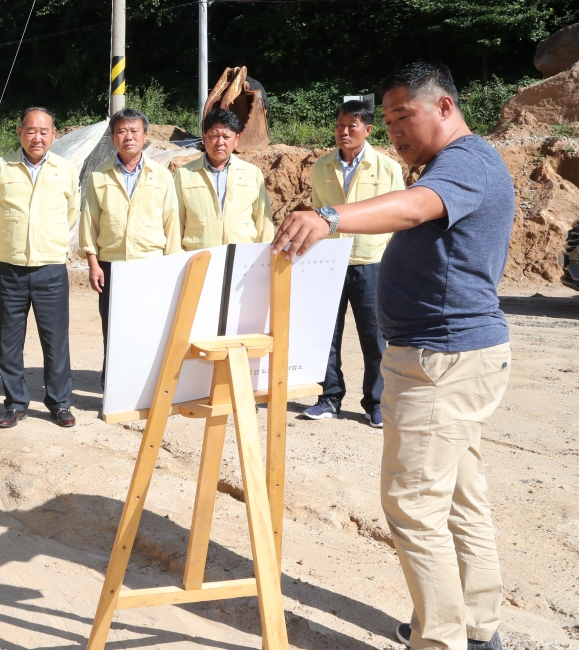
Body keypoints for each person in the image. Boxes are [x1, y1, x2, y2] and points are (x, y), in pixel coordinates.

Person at [272, 62, 514, 650]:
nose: (395, 131)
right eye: (388, 121)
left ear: (445, 109)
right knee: (459, 495)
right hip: (453, 358)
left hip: (441, 362)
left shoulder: (465, 163)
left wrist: (329, 217)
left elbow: (410, 207)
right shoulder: (454, 163)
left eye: (405, 116)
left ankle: (442, 639)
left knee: (412, 503)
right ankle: (475, 627)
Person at [302, 99, 406, 426]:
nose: (344, 132)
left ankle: (375, 403)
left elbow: (399, 216)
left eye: (352, 126)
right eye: (339, 126)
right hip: (330, 263)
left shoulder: (387, 167)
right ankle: (329, 397)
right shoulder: (321, 167)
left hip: (371, 261)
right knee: (327, 336)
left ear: (368, 129)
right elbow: (320, 213)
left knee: (374, 338)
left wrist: (393, 265)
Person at [0, 106, 81, 429]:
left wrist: (48, 245)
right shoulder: (1, 168)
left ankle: (59, 403)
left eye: (44, 131)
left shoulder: (65, 169)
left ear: (54, 134)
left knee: (55, 340)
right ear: (19, 132)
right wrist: (14, 243)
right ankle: (14, 403)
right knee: (8, 340)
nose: (37, 137)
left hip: (50, 268)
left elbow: (71, 213)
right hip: (11, 267)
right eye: (30, 130)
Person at [79, 107, 180, 387]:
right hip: (112, 265)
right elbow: (89, 222)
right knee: (113, 329)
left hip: (152, 264)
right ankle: (113, 386)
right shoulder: (99, 176)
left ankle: (148, 386)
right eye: (122, 131)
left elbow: (172, 223)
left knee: (150, 327)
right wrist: (93, 263)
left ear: (145, 135)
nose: (128, 137)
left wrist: (170, 267)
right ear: (112, 137)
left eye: (134, 131)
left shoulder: (162, 176)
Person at [175, 107, 274, 250]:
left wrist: (265, 258)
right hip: (199, 259)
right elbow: (175, 221)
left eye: (226, 137)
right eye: (214, 136)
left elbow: (264, 222)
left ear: (236, 139)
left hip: (242, 258)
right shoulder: (183, 175)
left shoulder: (252, 174)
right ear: (204, 137)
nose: (220, 142)